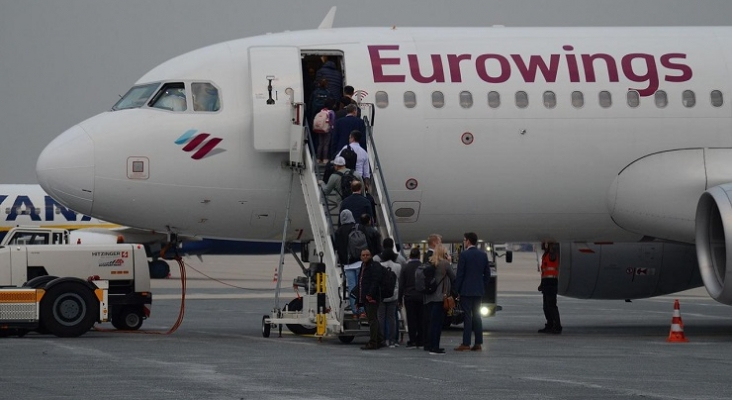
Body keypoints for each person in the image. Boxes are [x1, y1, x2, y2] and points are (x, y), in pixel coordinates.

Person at [453, 232, 491, 351]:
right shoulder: (483, 255)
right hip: (478, 290)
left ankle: (466, 343)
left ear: (468, 241)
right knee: (477, 316)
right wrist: (482, 286)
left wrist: (456, 290)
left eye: (464, 240)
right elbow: (487, 275)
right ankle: (478, 343)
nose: (464, 242)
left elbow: (460, 275)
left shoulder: (464, 255)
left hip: (466, 290)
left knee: (467, 316)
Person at [424, 244, 455, 355]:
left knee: (431, 323)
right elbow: (453, 277)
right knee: (437, 324)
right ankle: (435, 347)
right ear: (444, 253)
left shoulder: (430, 263)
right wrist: (450, 262)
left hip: (429, 297)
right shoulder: (445, 264)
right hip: (440, 297)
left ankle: (429, 345)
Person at [334, 209, 363, 318]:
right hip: (359, 262)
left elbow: (336, 246)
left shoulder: (339, 231)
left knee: (352, 287)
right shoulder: (357, 227)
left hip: (347, 264)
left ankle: (355, 311)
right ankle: (362, 309)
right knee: (361, 285)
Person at [374, 238, 402, 348]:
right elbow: (400, 278)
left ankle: (382, 339)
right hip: (394, 294)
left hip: (381, 294)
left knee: (381, 317)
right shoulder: (398, 264)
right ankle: (392, 340)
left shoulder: (378, 261)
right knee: (392, 318)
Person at [357, 248, 386, 350]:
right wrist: (359, 299)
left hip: (371, 298)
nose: (365, 257)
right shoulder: (363, 266)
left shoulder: (374, 266)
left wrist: (370, 295)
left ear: (371, 256)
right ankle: (380, 340)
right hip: (365, 297)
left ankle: (373, 342)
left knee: (372, 320)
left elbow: (375, 281)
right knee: (373, 319)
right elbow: (361, 282)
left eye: (367, 255)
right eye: (363, 255)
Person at [399, 247, 424, 349]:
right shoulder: (423, 267)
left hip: (409, 296)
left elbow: (401, 284)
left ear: (410, 256)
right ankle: (421, 340)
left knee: (411, 319)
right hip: (421, 296)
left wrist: (399, 299)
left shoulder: (405, 267)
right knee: (421, 319)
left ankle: (412, 340)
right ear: (419, 256)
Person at [538, 242, 562, 334]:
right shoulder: (545, 255)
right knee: (546, 306)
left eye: (545, 244)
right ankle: (550, 324)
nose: (542, 245)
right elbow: (544, 272)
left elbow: (553, 253)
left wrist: (552, 247)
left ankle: (557, 326)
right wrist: (541, 284)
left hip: (551, 283)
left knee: (551, 305)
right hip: (546, 283)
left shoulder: (552, 255)